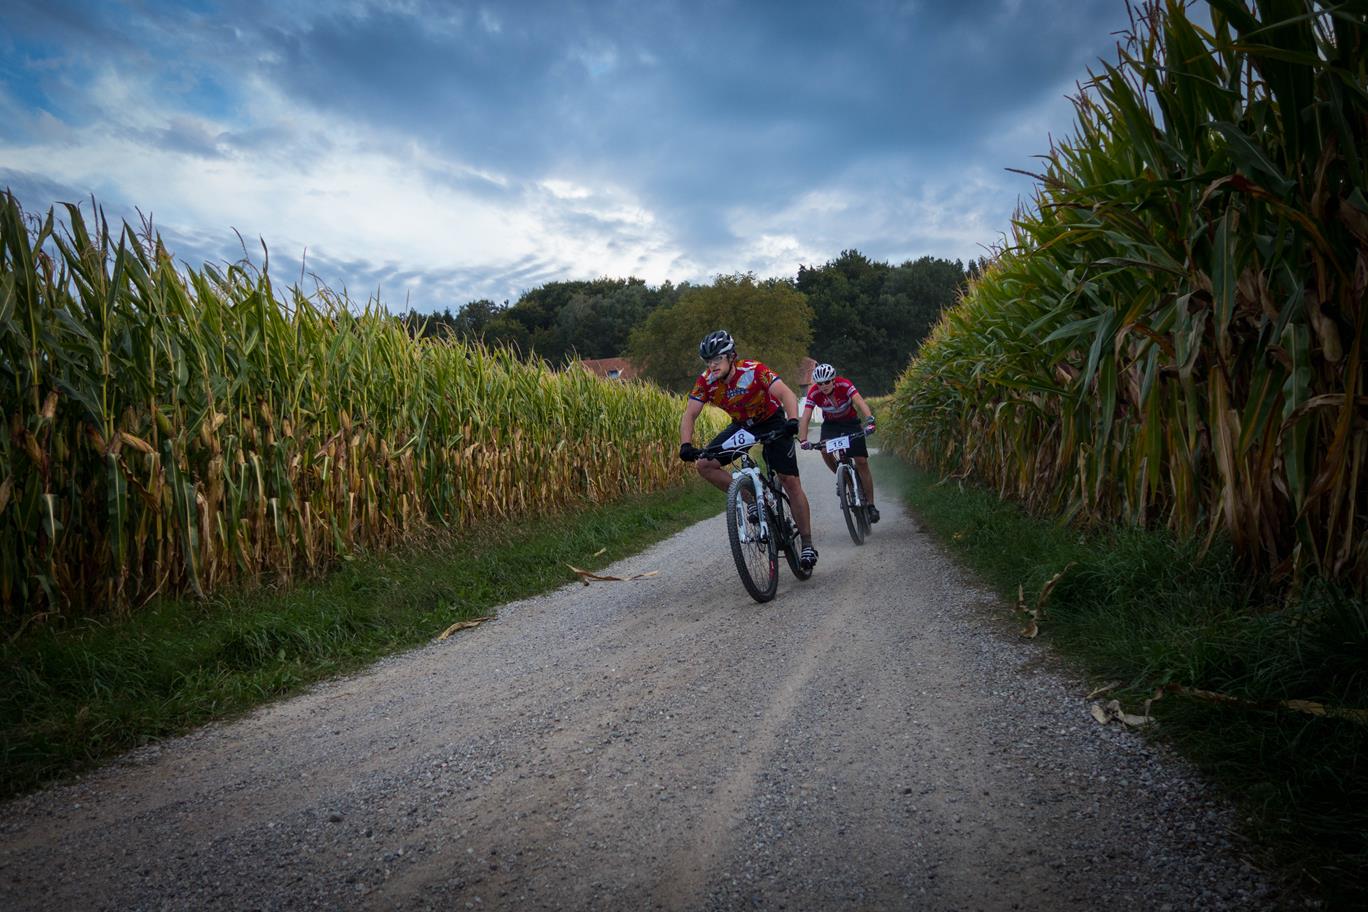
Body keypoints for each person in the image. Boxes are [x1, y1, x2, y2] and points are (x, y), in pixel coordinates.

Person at [678, 330, 819, 570]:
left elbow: (785, 393)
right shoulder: (706, 382)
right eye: (708, 361)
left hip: (772, 421)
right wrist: (686, 445)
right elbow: (690, 413)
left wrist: (792, 421)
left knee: (789, 480)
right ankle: (751, 498)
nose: (712, 365)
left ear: (731, 356)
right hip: (743, 426)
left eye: (717, 359)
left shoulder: (753, 370)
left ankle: (806, 543)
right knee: (704, 464)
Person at [797, 362, 879, 523]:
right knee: (824, 450)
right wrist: (803, 439)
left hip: (850, 423)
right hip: (831, 426)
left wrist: (870, 420)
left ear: (833, 380)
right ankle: (844, 478)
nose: (823, 386)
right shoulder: (814, 393)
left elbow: (860, 401)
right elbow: (806, 416)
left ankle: (871, 505)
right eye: (820, 383)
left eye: (827, 382)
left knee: (861, 461)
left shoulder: (844, 384)